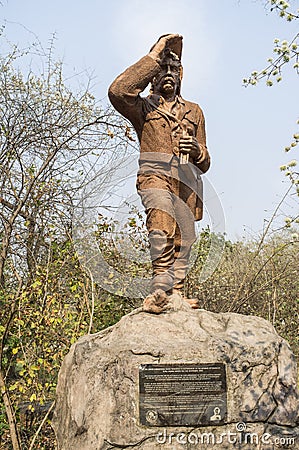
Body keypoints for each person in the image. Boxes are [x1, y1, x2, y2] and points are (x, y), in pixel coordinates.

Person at [108, 34, 210, 307]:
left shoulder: (195, 111)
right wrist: (153, 57)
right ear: (153, 75)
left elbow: (206, 160)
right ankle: (159, 289)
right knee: (161, 223)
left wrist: (198, 151)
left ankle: (176, 293)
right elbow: (118, 91)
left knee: (184, 238)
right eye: (161, 69)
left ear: (181, 75)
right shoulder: (143, 107)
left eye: (172, 69)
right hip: (155, 175)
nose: (167, 74)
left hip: (187, 180)